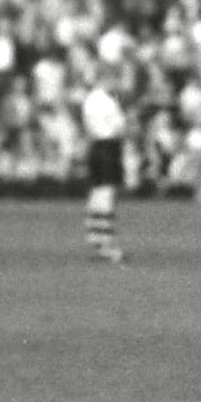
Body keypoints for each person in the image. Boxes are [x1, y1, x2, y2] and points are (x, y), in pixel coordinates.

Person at [80, 57, 132, 266]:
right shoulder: (102, 100)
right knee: (106, 193)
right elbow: (116, 127)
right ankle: (105, 242)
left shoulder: (96, 98)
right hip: (106, 146)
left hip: (100, 145)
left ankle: (96, 237)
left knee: (99, 191)